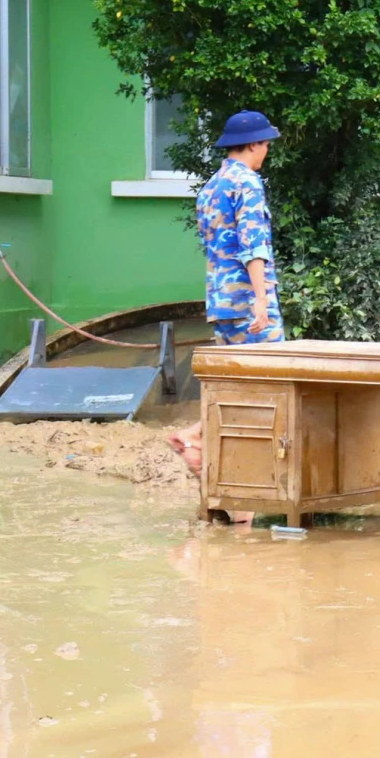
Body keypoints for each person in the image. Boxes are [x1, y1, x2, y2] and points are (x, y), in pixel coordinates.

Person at [168, 111, 285, 487]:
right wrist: (262, 301)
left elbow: (215, 247)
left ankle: (204, 449)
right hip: (249, 301)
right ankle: (212, 451)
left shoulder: (212, 187)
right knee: (270, 386)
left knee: (234, 386)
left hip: (220, 301)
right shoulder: (247, 184)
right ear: (252, 144)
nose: (267, 151)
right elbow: (253, 247)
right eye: (265, 144)